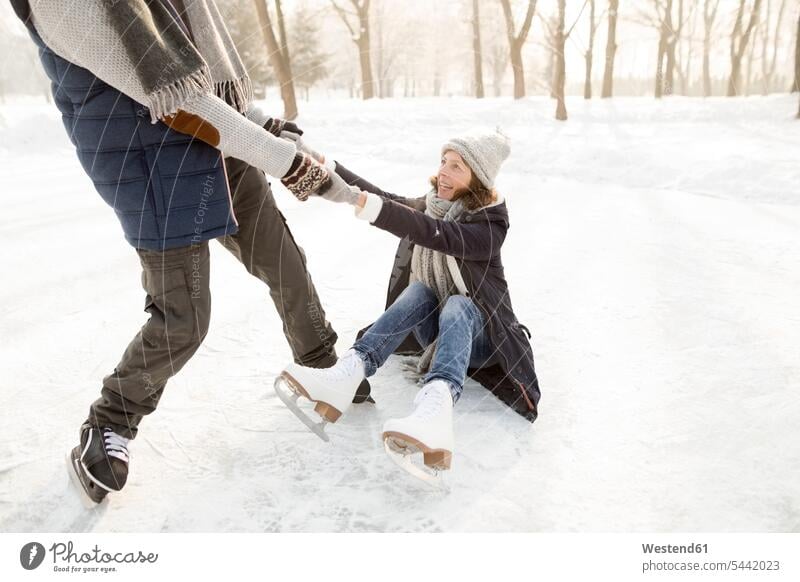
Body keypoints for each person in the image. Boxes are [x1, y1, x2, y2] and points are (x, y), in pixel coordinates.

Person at [10, 0, 370, 504]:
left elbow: (205, 76)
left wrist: (263, 126)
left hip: (215, 143)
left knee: (282, 260)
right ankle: (110, 419)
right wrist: (291, 166)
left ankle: (319, 362)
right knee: (183, 319)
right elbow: (180, 99)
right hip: (149, 163)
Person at [277, 131, 540, 473]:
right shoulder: (435, 206)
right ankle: (348, 373)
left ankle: (436, 410)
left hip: (482, 340)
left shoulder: (488, 227)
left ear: (477, 179)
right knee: (420, 291)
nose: (443, 172)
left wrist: (371, 208)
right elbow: (387, 199)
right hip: (440, 333)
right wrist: (323, 164)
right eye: (443, 161)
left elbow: (434, 233)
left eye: (456, 166)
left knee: (459, 305)